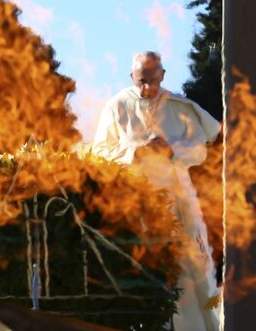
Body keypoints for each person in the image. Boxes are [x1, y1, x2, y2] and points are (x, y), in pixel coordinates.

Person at [93, 51, 221, 331]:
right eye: (141, 81)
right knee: (139, 271)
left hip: (178, 205)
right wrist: (133, 152)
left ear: (162, 75)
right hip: (133, 206)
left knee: (187, 274)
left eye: (152, 80)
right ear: (131, 77)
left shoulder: (181, 107)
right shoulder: (116, 107)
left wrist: (173, 149)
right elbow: (99, 152)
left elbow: (200, 150)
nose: (146, 88)